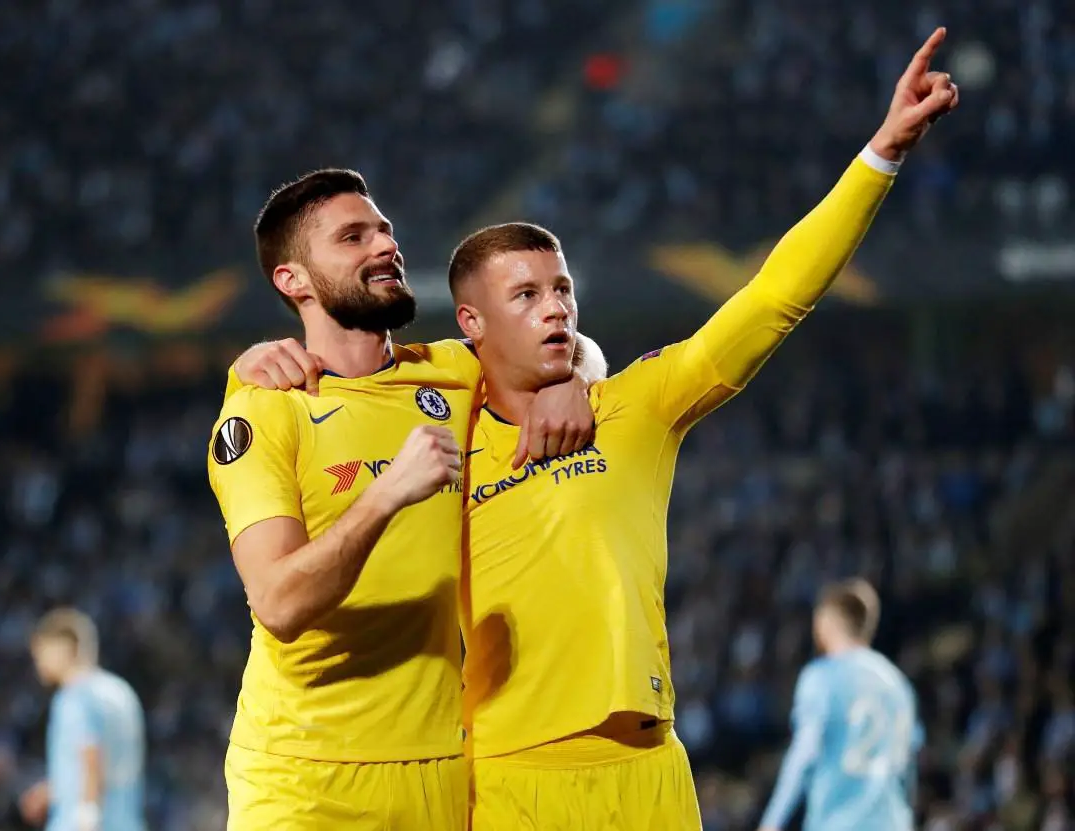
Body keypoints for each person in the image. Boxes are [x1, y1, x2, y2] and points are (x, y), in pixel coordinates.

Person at [235, 26, 957, 829]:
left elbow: (772, 297)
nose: (554, 309)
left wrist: (882, 154)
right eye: (526, 296)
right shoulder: (442, 424)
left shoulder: (633, 407)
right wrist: (253, 363)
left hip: (652, 774)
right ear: (471, 324)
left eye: (563, 291)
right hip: (507, 782)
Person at [208, 169, 603, 830]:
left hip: (438, 773)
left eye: (384, 230)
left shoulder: (452, 371)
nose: (385, 245)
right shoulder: (266, 410)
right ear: (293, 280)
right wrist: (388, 492)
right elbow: (278, 603)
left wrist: (573, 380)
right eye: (353, 237)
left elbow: (564, 345)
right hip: (304, 777)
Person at [758, 580, 921, 831]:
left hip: (839, 821)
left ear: (826, 622)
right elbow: (909, 764)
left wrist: (772, 821)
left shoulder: (822, 676)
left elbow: (805, 751)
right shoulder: (899, 684)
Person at [19, 608, 145, 831]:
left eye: (41, 653)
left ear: (61, 649)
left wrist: (88, 817)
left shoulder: (74, 697)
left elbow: (92, 757)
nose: (38, 663)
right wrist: (51, 791)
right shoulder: (120, 691)